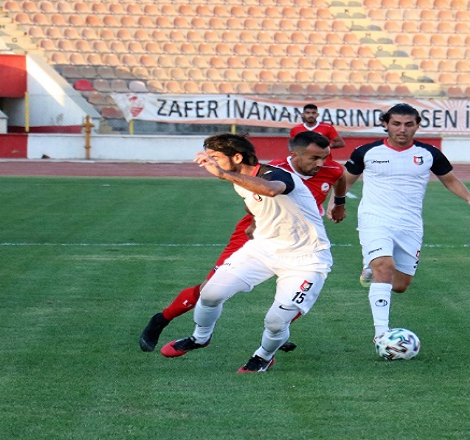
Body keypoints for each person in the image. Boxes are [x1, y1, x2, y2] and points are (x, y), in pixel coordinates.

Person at [138, 131, 346, 353]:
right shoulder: (264, 170)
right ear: (295, 154)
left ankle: (272, 344)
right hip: (256, 236)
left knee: (283, 308)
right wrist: (254, 221)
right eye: (315, 158)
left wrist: (340, 202)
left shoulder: (320, 171)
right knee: (210, 290)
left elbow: (338, 176)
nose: (322, 163)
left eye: (326, 157)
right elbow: (255, 196)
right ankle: (163, 320)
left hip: (297, 244)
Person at [341, 103, 470, 343]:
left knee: (400, 285)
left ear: (417, 125)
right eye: (396, 124)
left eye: (409, 124)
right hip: (374, 219)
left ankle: (370, 266)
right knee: (384, 267)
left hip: (409, 224)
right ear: (385, 124)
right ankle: (381, 335)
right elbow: (345, 180)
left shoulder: (429, 153)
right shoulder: (366, 152)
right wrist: (336, 203)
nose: (402, 129)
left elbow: (449, 179)